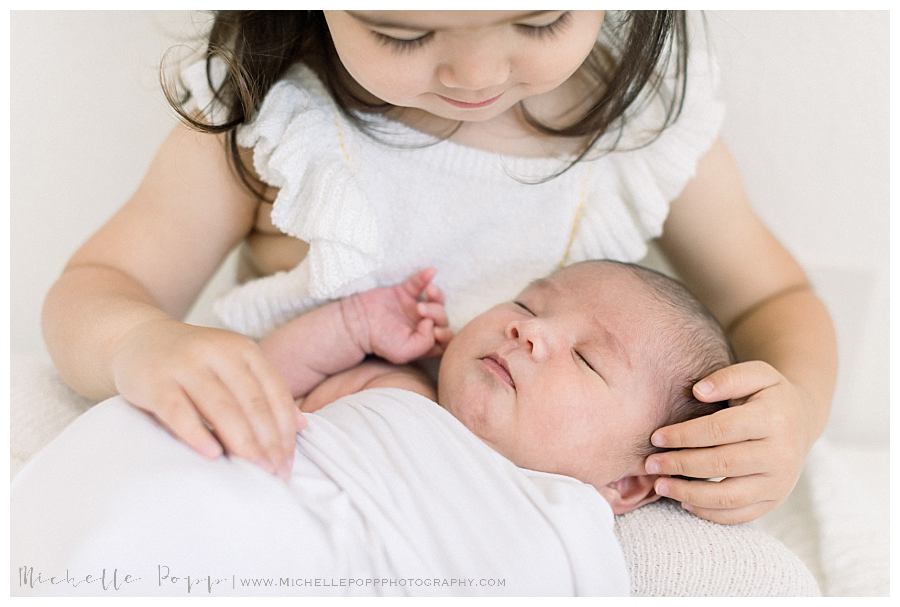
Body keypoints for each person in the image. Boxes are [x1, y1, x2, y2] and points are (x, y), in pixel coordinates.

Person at [40, 10, 837, 524]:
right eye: (403, 32)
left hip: (526, 516)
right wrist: (137, 342)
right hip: (291, 479)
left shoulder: (642, 128)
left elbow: (775, 296)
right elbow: (97, 288)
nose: (476, 76)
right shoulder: (276, 118)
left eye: (540, 18)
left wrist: (793, 407)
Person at [261, 260, 734, 513]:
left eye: (588, 360)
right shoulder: (389, 385)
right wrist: (355, 325)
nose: (530, 331)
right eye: (528, 306)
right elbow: (256, 383)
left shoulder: (555, 519)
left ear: (626, 485)